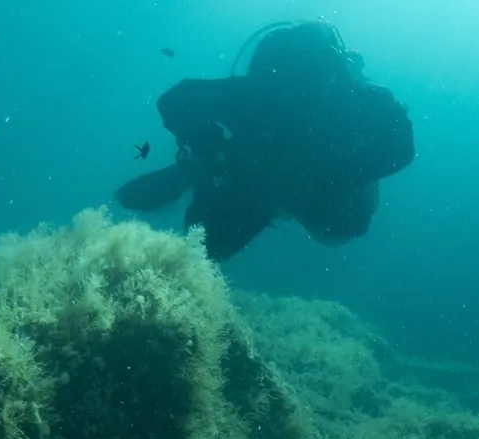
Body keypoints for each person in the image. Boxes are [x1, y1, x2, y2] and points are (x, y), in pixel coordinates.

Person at [115, 22, 414, 260]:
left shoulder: (360, 99)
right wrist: (213, 150)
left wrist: (331, 177)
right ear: (285, 65)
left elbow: (401, 148)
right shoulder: (259, 93)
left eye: (320, 66)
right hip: (255, 173)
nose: (311, 80)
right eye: (304, 67)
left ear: (338, 66)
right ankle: (202, 171)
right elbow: (176, 99)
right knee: (211, 248)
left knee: (343, 228)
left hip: (315, 183)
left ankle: (212, 172)